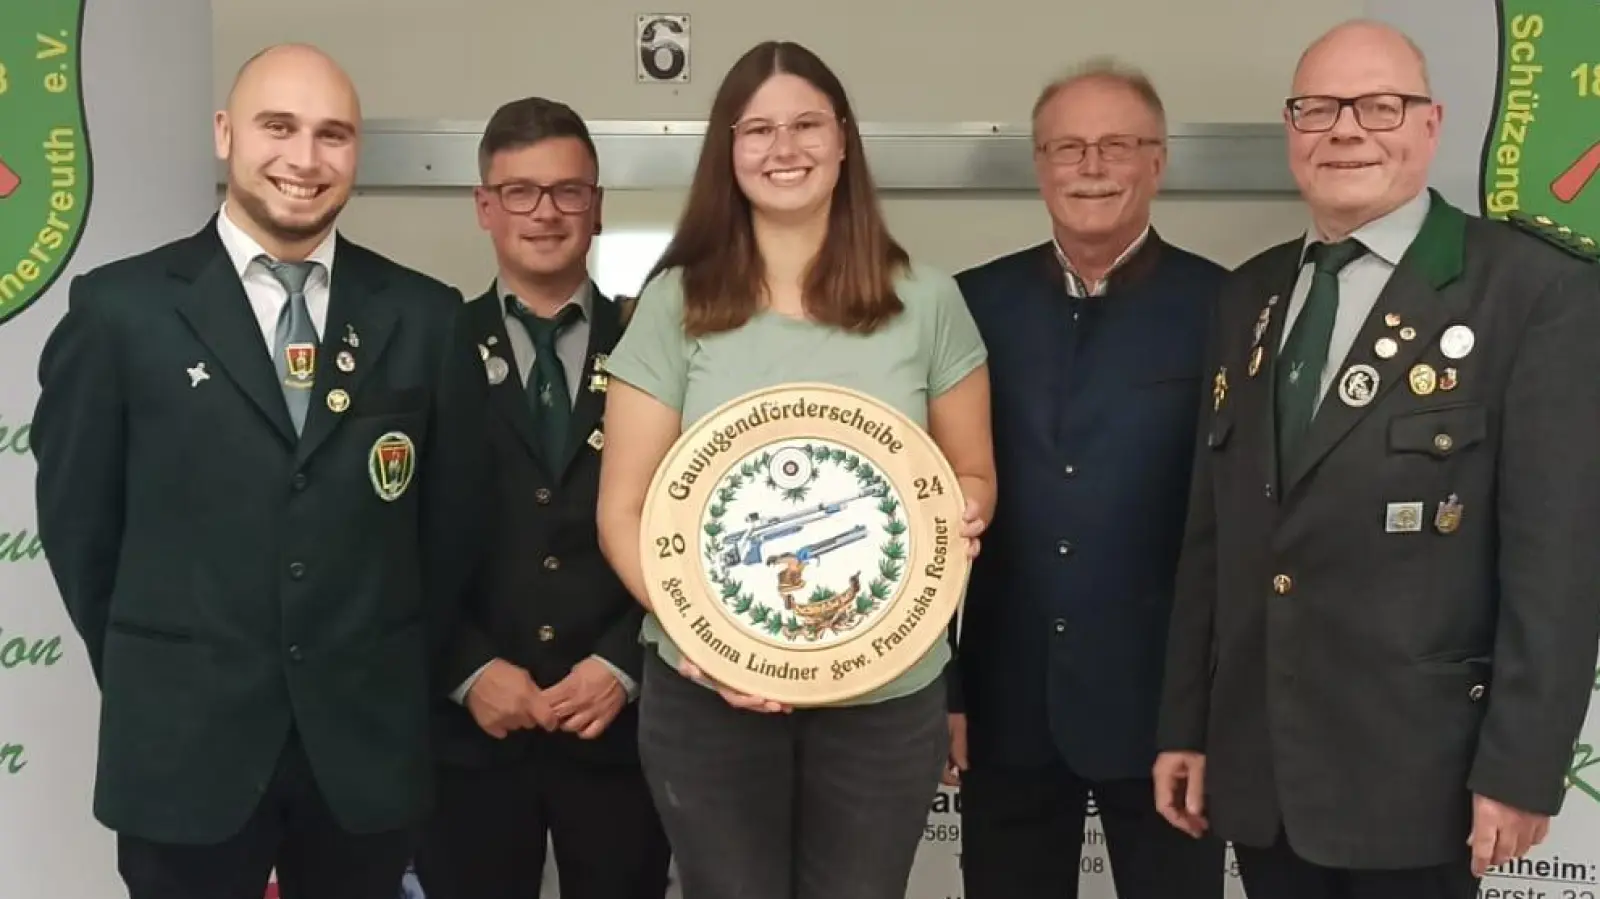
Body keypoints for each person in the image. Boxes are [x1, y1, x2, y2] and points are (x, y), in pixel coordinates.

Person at [1153, 19, 1600, 899]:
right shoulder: (1249, 293)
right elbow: (1215, 534)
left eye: (1378, 105)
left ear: (1432, 125)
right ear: (1292, 130)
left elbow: (1559, 560)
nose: (1346, 129)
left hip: (1421, 775)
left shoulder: (1530, 290)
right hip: (1263, 765)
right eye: (1318, 108)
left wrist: (1521, 765)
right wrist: (1190, 726)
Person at [30, 44, 489, 899]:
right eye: (278, 127)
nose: (304, 159)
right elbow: (80, 531)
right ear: (223, 133)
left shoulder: (425, 318)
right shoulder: (118, 311)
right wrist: (165, 666)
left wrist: (378, 666)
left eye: (333, 135)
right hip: (183, 746)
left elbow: (451, 532)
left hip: (363, 750)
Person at [594, 39, 995, 899]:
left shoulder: (927, 300)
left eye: (808, 123)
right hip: (706, 701)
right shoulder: (675, 303)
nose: (786, 149)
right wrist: (707, 643)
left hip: (886, 699)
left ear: (845, 139)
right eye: (759, 129)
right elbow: (623, 511)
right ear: (726, 151)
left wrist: (962, 507)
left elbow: (973, 475)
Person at [950, 60, 1227, 899]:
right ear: (1039, 164)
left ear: (1158, 160)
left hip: (1167, 720)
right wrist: (947, 687)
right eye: (1067, 146)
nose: (1091, 165)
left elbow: (1237, 525)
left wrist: (1207, 711)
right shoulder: (967, 306)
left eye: (1117, 144)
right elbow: (924, 505)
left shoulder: (1227, 305)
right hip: (1005, 708)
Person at [412, 96, 671, 899]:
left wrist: (625, 664)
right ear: (485, 207)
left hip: (623, 731)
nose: (545, 211)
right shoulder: (428, 347)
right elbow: (388, 536)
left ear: (598, 208)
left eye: (568, 191)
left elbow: (696, 525)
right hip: (470, 732)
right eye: (520, 191)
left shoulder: (657, 348)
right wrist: (466, 670)